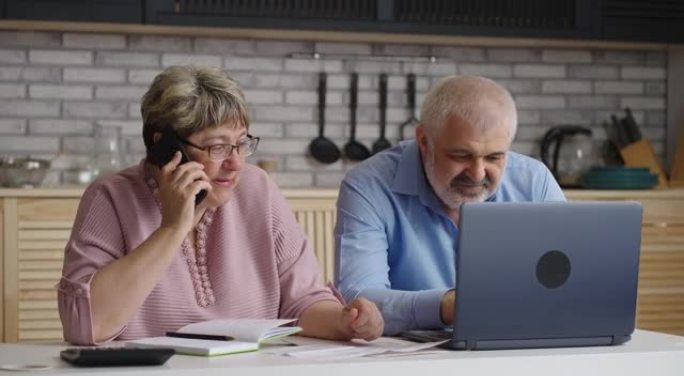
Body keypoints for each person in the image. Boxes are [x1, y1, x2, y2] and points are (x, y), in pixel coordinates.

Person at [58, 66, 383, 345]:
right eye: (217, 148)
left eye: (242, 144)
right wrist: (173, 227)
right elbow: (87, 326)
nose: (236, 163)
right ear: (165, 147)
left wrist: (344, 321)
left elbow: (303, 302)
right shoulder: (110, 198)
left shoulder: (259, 189)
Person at [335, 75, 565, 336]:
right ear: (423, 141)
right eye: (460, 156)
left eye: (494, 157)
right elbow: (359, 301)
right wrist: (447, 306)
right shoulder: (368, 185)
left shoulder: (534, 181)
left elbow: (569, 282)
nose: (478, 174)